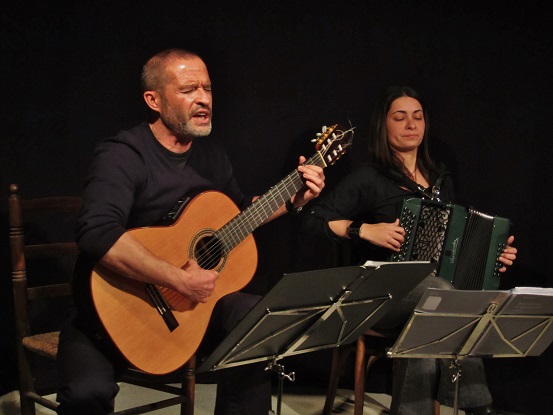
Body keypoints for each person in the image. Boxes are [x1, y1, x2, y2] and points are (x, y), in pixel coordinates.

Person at [55, 48, 326, 415]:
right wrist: (178, 280)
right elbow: (97, 233)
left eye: (207, 89)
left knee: (256, 325)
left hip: (189, 314)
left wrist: (295, 199)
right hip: (111, 311)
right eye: (188, 89)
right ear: (154, 100)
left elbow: (240, 217)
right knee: (87, 394)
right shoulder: (122, 154)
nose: (203, 99)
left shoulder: (211, 155)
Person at [303, 86, 517, 415]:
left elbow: (453, 248)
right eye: (399, 117)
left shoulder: (440, 180)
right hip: (378, 295)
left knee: (434, 306)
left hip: (429, 295)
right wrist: (363, 230)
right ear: (383, 126)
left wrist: (492, 256)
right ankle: (478, 406)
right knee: (439, 295)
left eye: (417, 117)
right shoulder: (368, 178)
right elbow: (313, 219)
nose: (410, 124)